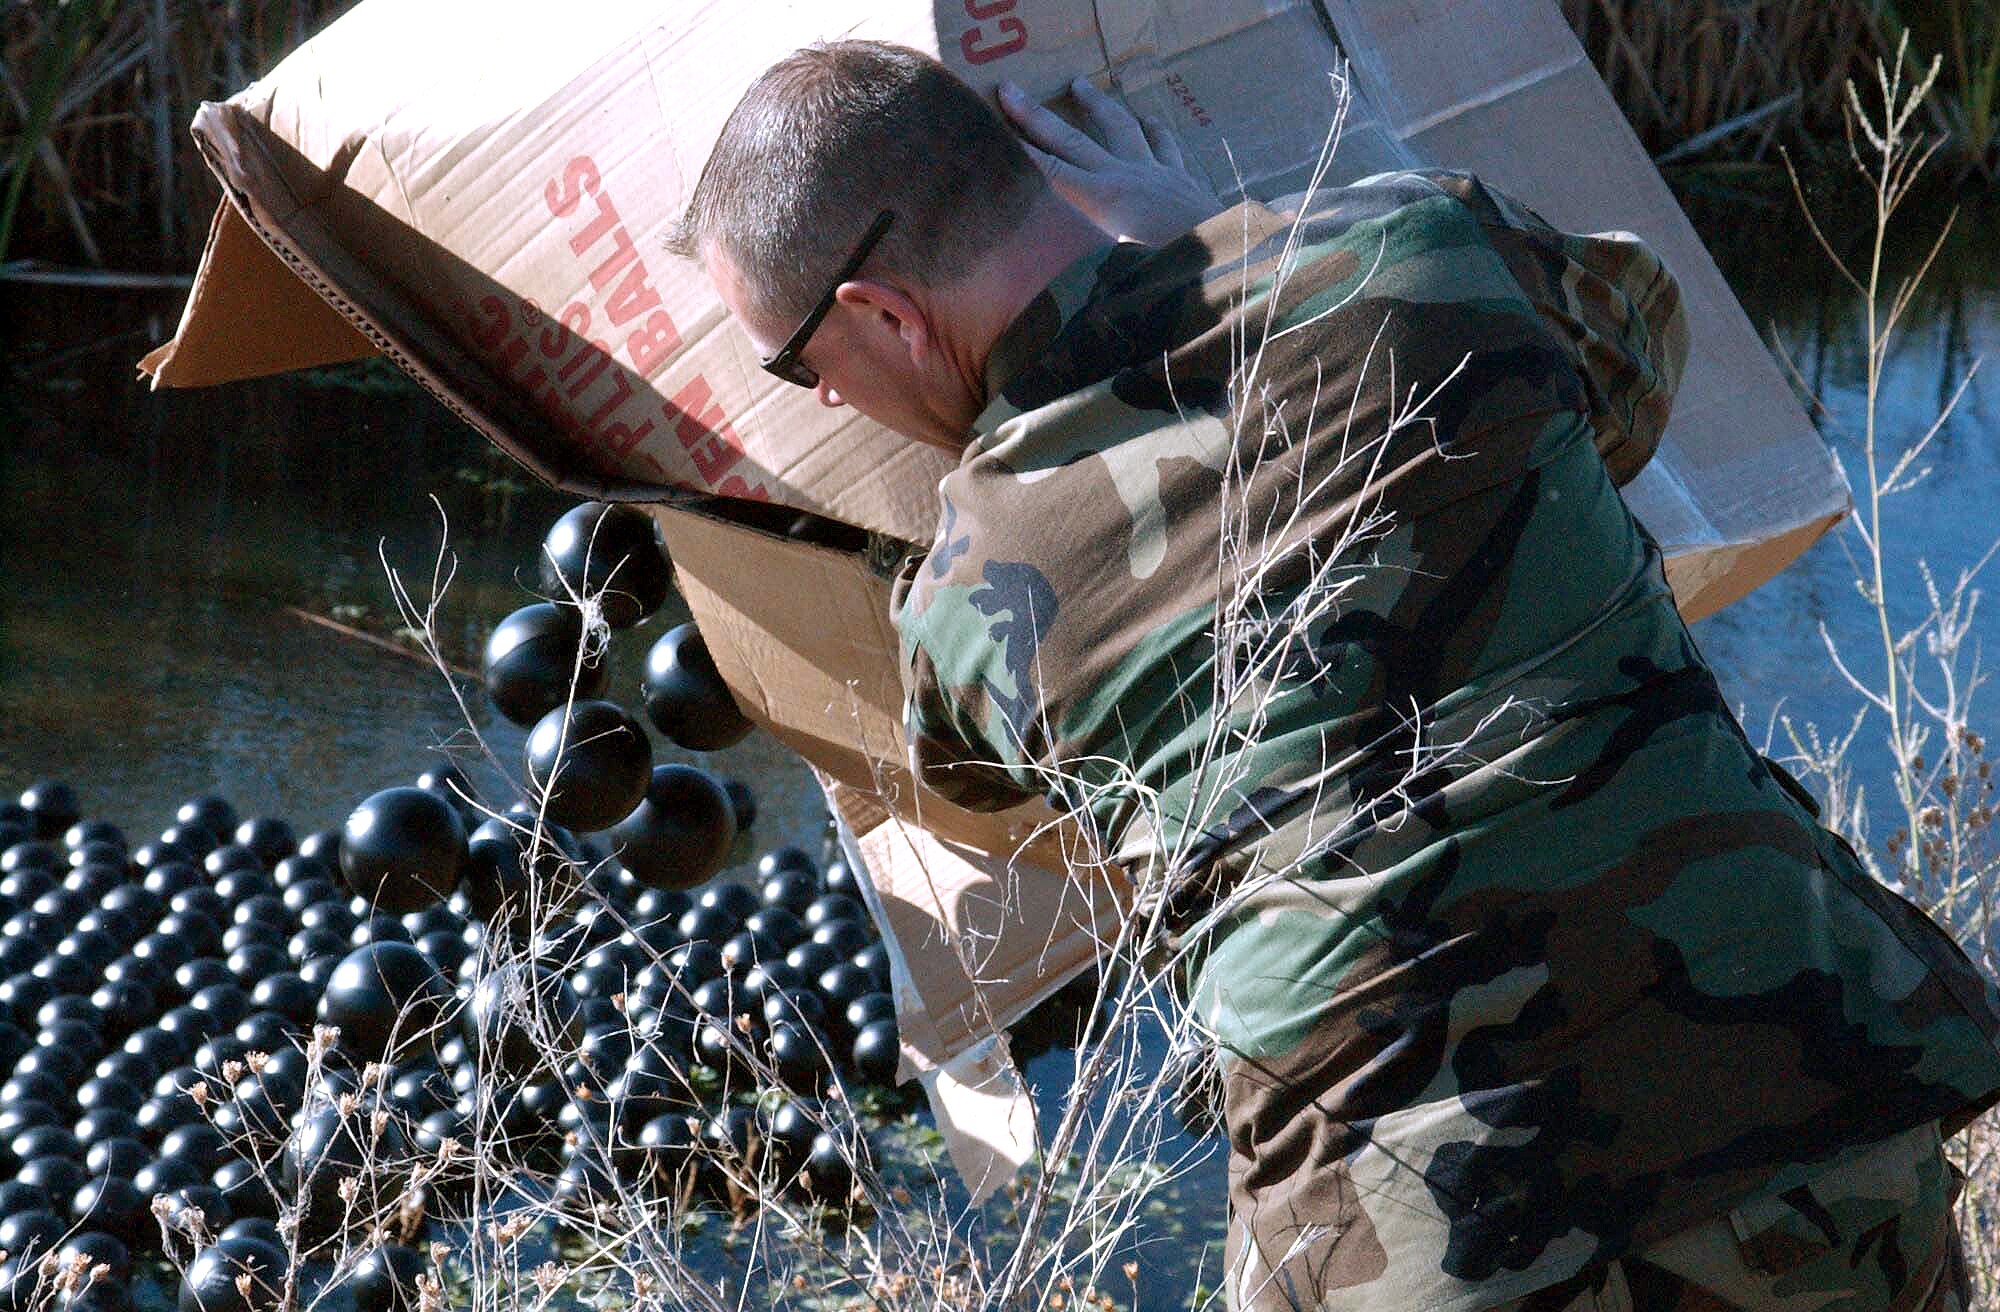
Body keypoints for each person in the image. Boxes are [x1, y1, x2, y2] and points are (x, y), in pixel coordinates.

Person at [668, 40, 2000, 1312]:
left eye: (799, 367)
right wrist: (1240, 233)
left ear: (880, 314)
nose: (825, 404)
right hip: (1805, 1080)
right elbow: (1631, 388)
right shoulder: (1424, 248)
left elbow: (994, 801)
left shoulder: (964, 599)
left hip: (1430, 1236)